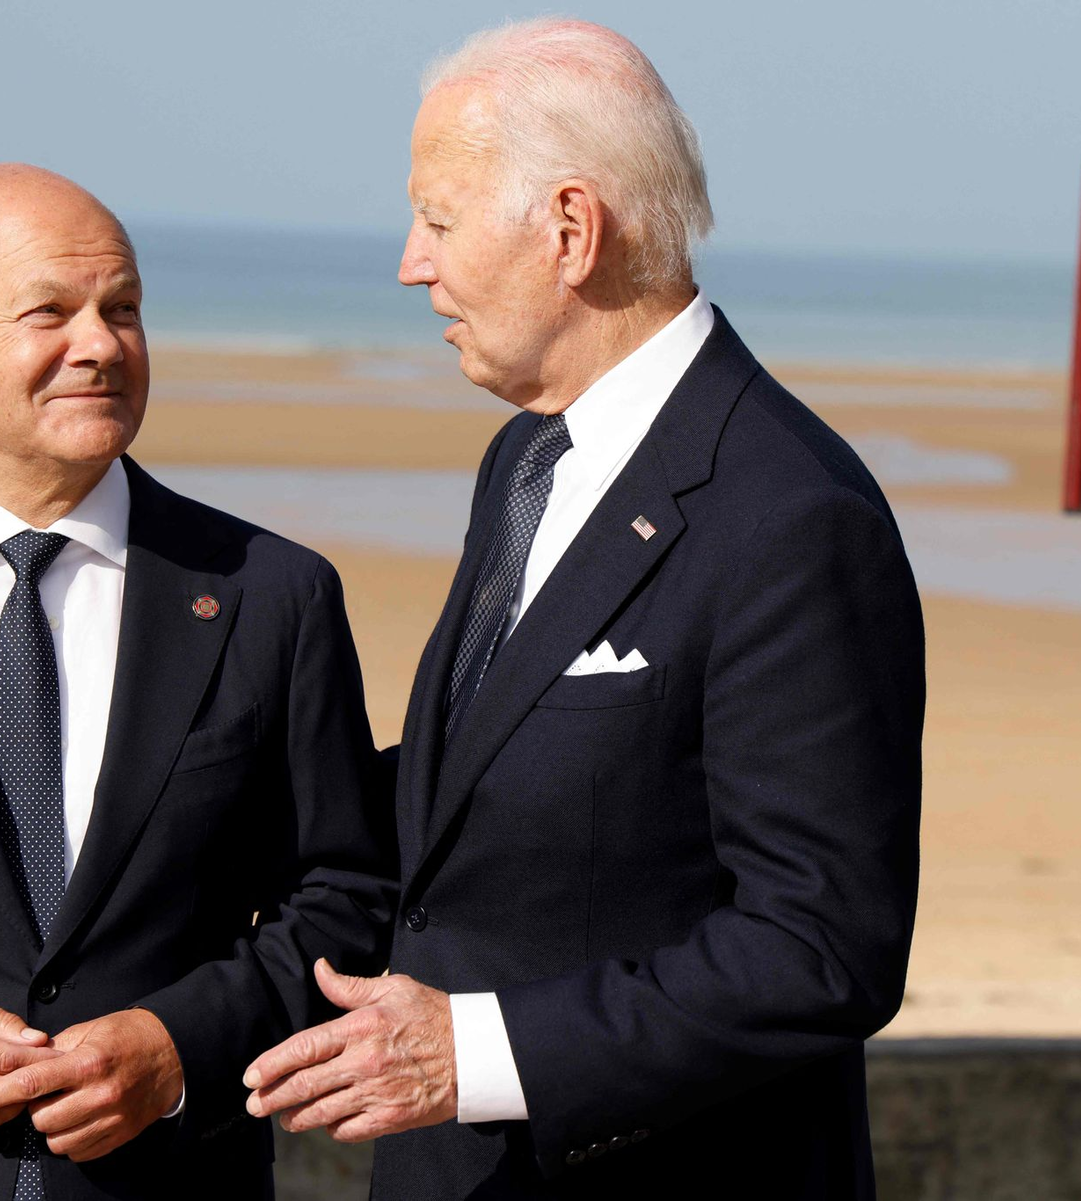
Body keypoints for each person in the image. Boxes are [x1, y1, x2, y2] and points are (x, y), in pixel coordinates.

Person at [243, 18, 925, 1200]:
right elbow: (477, 789)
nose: (411, 263)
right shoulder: (523, 460)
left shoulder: (794, 517)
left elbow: (821, 950)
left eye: (439, 221)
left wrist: (478, 1054)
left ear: (569, 230)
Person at [0, 163, 396, 1199]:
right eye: (50, 312)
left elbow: (348, 897)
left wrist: (178, 1049)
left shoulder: (271, 594)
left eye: (123, 309)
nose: (102, 345)